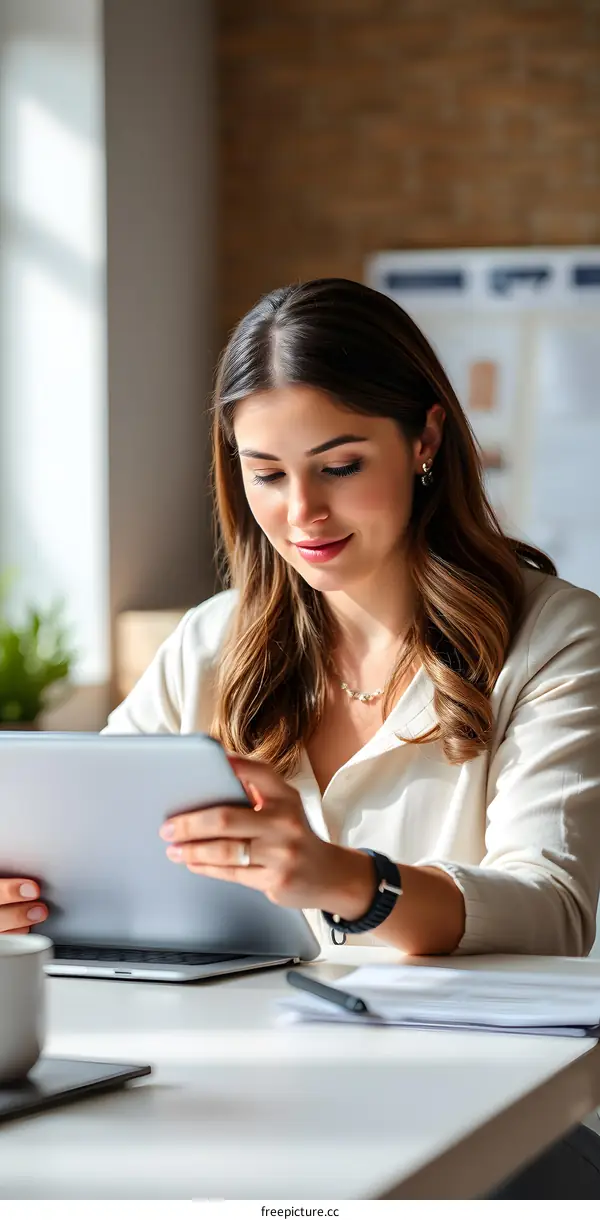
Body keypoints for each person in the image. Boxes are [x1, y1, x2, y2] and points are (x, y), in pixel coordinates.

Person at [2, 278, 600, 1195]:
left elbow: (554, 908)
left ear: (426, 440)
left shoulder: (558, 637)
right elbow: (91, 834)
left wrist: (345, 880)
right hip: (246, 1093)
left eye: (341, 464)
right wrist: (28, 893)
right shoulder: (212, 638)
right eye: (267, 473)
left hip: (487, 1108)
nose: (302, 514)